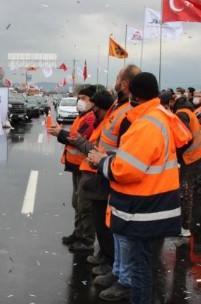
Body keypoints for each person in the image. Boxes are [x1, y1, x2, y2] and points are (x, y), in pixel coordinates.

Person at [88, 72, 190, 304]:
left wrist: (102, 161)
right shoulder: (160, 115)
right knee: (143, 267)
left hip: (144, 209)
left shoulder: (146, 124)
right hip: (154, 203)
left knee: (140, 270)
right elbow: (142, 158)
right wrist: (113, 156)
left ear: (133, 93)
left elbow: (127, 170)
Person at [88, 64, 141, 302]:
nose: (115, 84)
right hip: (109, 172)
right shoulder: (119, 107)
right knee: (116, 229)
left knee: (122, 233)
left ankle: (125, 280)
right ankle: (118, 272)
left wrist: (106, 162)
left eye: (118, 80)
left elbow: (126, 152)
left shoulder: (130, 112)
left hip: (121, 176)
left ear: (125, 85)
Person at [66, 89, 116, 279]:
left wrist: (75, 140)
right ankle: (100, 252)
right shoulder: (94, 119)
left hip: (98, 174)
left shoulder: (104, 122)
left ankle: (102, 254)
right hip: (87, 170)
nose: (87, 105)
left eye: (86, 100)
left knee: (97, 219)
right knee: (82, 207)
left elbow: (93, 147)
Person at [47, 85, 97, 252]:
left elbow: (78, 138)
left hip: (85, 166)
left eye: (84, 98)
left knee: (84, 205)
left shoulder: (90, 118)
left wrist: (61, 133)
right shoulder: (81, 116)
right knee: (76, 203)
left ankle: (87, 239)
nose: (80, 101)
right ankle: (78, 233)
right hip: (76, 165)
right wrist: (62, 132)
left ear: (93, 101)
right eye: (79, 98)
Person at [172, 96, 201, 236]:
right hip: (196, 153)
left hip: (190, 156)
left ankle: (185, 226)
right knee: (187, 189)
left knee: (186, 191)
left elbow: (184, 139)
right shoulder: (188, 112)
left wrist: (177, 157)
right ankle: (184, 224)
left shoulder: (182, 114)